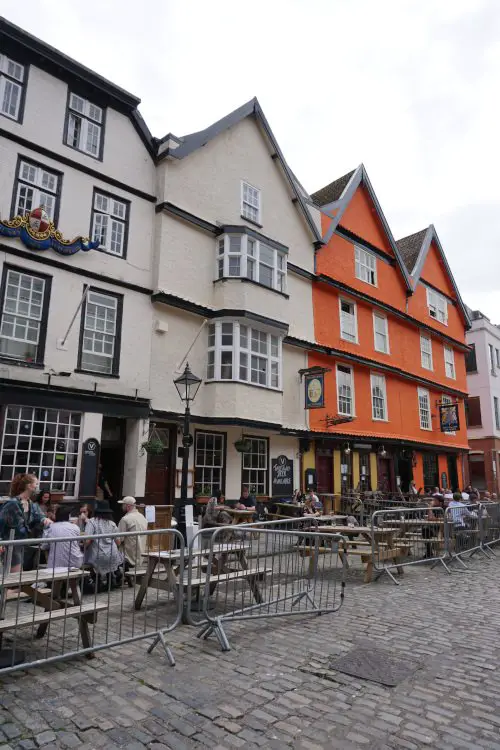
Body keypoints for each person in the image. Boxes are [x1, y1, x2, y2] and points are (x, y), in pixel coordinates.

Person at [0, 474, 52, 573]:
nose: (37, 486)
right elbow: (1, 522)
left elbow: (39, 516)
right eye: (36, 483)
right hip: (11, 545)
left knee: (16, 581)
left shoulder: (31, 504)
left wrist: (45, 520)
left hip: (22, 545)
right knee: (15, 582)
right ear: (28, 485)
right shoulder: (12, 504)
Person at [83, 500, 123, 587]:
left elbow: (87, 540)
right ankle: (110, 581)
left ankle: (96, 581)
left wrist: (84, 547)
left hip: (97, 554)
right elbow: (118, 542)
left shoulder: (92, 522)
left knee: (87, 559)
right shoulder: (112, 523)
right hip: (112, 555)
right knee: (108, 561)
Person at [42, 505, 83, 570]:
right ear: (68, 516)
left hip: (56, 565)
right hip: (75, 563)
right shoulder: (75, 527)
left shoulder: (51, 528)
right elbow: (77, 544)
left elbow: (44, 546)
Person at [117, 496, 148, 571]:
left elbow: (118, 539)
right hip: (140, 554)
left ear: (128, 506)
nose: (122, 507)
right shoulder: (142, 517)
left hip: (128, 555)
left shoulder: (125, 519)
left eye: (123, 504)